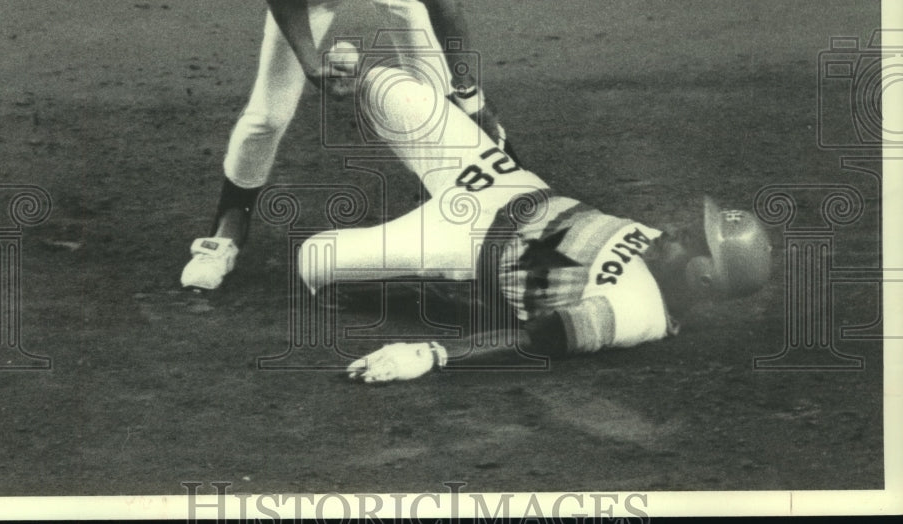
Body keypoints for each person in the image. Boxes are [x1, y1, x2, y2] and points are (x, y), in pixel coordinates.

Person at [288, 64, 772, 384]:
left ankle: (403, 287)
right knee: (390, 86)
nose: (680, 230)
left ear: (705, 277)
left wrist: (432, 355)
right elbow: (559, 223)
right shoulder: (659, 251)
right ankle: (351, 75)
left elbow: (542, 338)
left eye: (695, 238)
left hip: (464, 243)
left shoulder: (637, 313)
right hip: (504, 181)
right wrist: (498, 144)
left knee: (314, 261)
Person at [182, 0, 514, 291]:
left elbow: (441, 4)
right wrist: (312, 63)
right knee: (266, 116)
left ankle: (494, 215)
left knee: (433, 108)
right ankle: (226, 232)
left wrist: (469, 94)